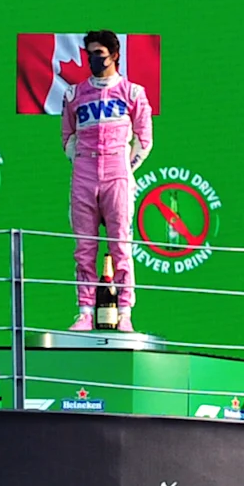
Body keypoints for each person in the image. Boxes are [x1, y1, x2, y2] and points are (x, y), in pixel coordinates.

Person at [60, 30, 153, 332]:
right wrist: (82, 163)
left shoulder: (133, 93)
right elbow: (67, 138)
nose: (92, 59)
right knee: (84, 247)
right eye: (89, 53)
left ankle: (124, 312)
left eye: (99, 53)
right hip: (84, 175)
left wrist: (126, 165)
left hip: (118, 174)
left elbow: (144, 139)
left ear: (114, 55)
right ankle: (85, 311)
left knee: (121, 246)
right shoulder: (74, 94)